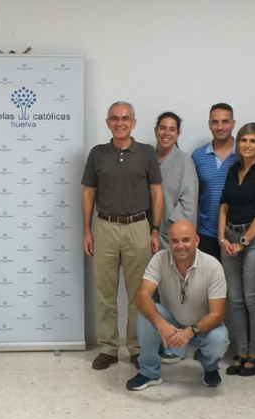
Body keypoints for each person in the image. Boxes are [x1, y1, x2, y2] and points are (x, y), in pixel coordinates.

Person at [81, 101, 163, 370]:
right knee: (105, 292)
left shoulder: (147, 153)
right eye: (114, 118)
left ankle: (137, 347)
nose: (120, 123)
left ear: (133, 123)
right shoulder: (97, 154)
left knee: (139, 293)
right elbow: (88, 193)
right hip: (104, 226)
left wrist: (155, 229)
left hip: (138, 226)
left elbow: (156, 192)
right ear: (108, 123)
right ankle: (109, 348)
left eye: (125, 118)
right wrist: (87, 231)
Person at [126, 221, 229, 390]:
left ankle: (209, 366)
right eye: (175, 241)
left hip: (202, 326)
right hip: (171, 322)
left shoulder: (212, 266)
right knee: (144, 312)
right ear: (169, 243)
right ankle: (149, 372)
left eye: (186, 240)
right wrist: (161, 323)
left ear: (196, 241)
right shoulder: (159, 259)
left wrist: (190, 332)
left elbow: (217, 314)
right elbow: (142, 295)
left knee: (219, 340)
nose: (180, 246)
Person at [218, 122, 255, 377]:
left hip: (254, 240)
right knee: (234, 298)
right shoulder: (233, 169)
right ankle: (241, 351)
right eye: (243, 140)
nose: (247, 145)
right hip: (229, 237)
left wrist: (242, 243)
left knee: (252, 298)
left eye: (252, 141)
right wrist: (222, 237)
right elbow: (224, 206)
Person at [192, 103, 238, 262]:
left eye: (225, 121)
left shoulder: (244, 154)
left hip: (236, 235)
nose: (220, 127)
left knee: (233, 279)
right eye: (215, 122)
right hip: (206, 233)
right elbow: (193, 196)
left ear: (233, 123)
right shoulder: (198, 156)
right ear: (209, 124)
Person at [154, 112, 198, 248]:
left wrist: (169, 227)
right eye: (163, 128)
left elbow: (189, 205)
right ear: (156, 131)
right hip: (146, 231)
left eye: (172, 129)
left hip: (171, 234)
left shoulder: (185, 162)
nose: (166, 133)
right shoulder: (148, 159)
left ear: (178, 134)